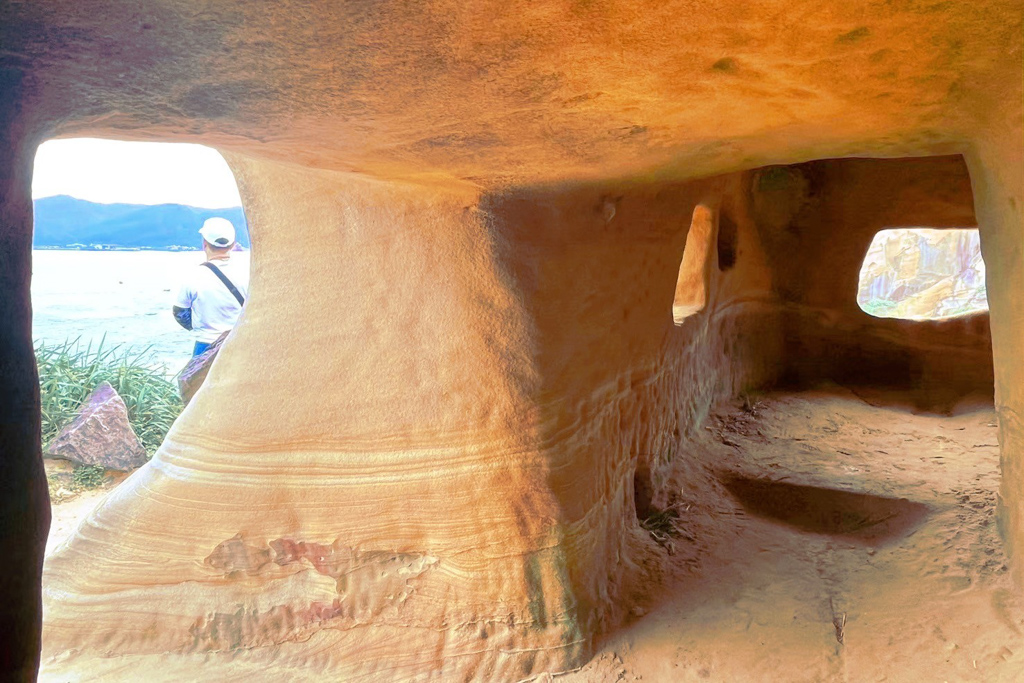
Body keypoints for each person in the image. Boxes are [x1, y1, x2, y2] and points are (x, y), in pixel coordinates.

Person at [172, 217, 250, 356]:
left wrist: (198, 326)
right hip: (240, 344)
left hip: (205, 346)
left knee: (201, 379)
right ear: (232, 245)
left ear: (204, 244)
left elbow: (179, 313)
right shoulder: (248, 273)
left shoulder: (193, 276)